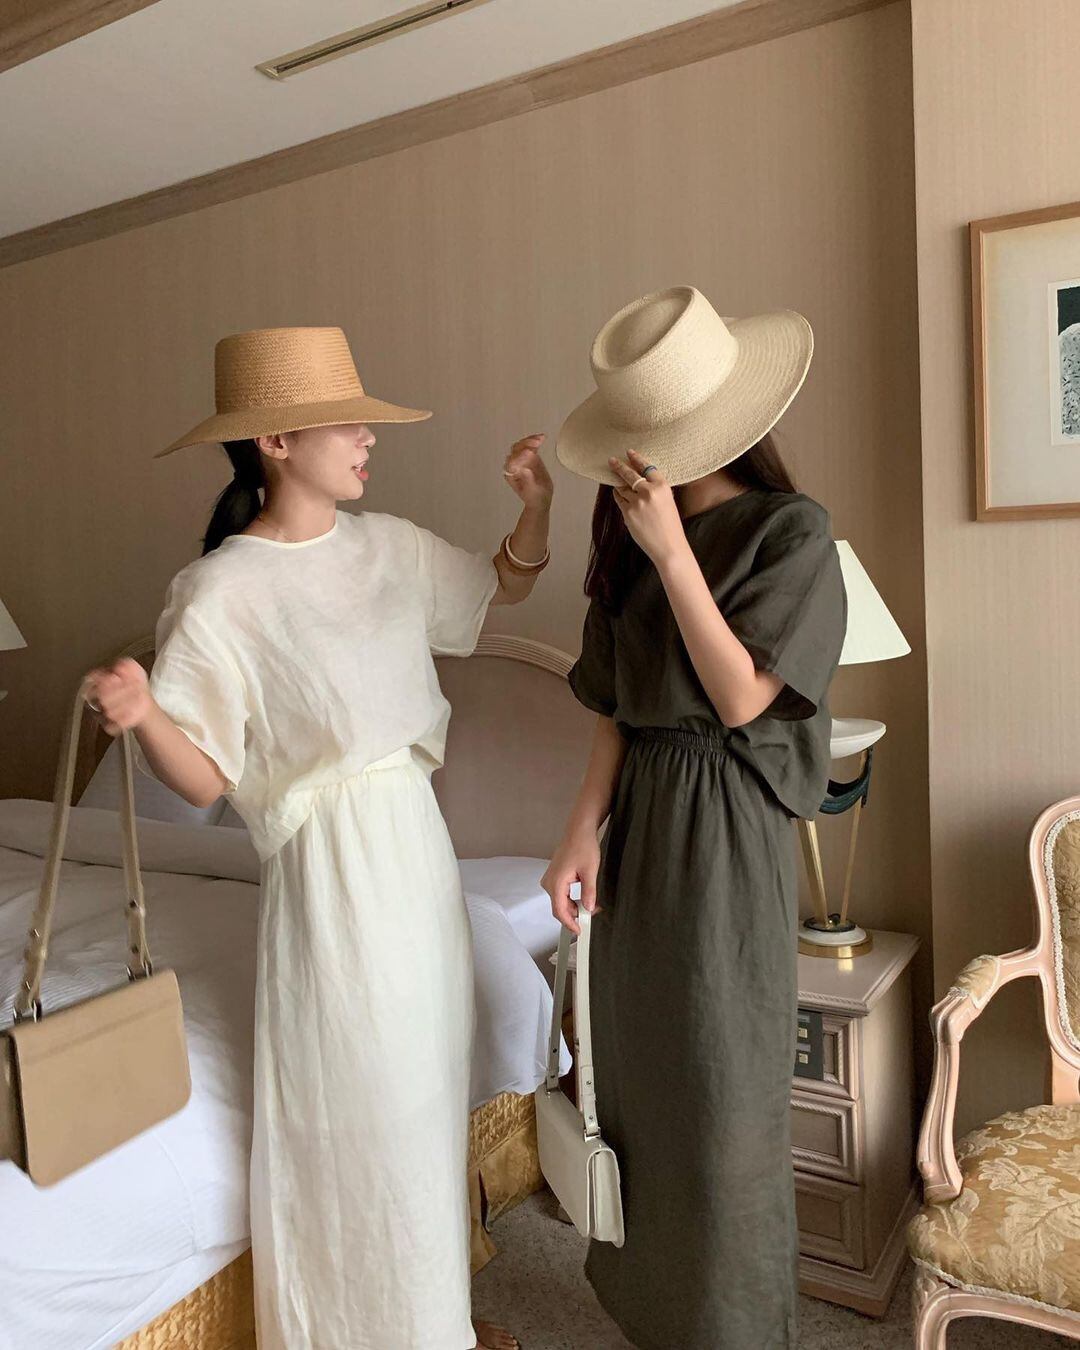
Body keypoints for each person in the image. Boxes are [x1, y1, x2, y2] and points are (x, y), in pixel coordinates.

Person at [82, 325, 553, 1350]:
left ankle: (431, 1323)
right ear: (276, 442)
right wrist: (145, 714)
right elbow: (205, 776)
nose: (366, 438)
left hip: (415, 853)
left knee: (423, 1102)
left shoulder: (391, 547)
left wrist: (535, 509)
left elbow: (498, 587)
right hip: (327, 876)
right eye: (345, 422)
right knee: (354, 1115)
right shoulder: (220, 592)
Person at [543, 286, 847, 1349]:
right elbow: (618, 708)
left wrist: (674, 553)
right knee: (644, 1083)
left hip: (725, 824)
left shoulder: (790, 531)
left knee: (723, 1089)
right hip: (642, 826)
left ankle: (735, 1328)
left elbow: (743, 700)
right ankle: (657, 1314)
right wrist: (579, 833)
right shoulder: (626, 540)